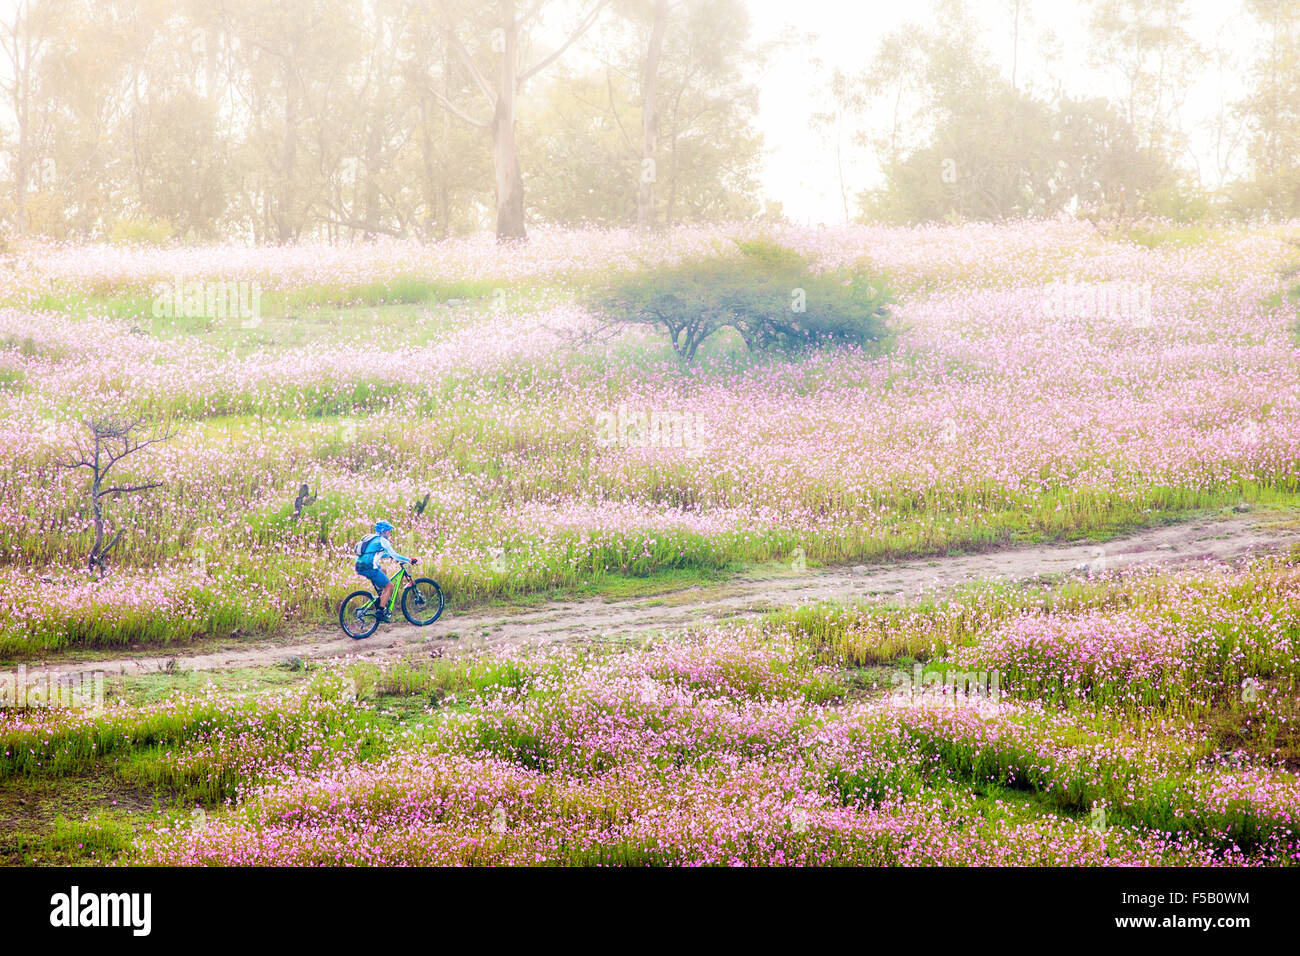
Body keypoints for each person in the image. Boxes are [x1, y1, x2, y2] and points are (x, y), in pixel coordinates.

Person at [356, 520, 418, 623]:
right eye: (389, 531)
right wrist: (408, 560)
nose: (390, 534)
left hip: (360, 566)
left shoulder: (373, 538)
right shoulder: (383, 540)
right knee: (389, 586)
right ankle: (380, 612)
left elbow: (377, 553)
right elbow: (395, 555)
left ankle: (382, 597)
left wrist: (389, 556)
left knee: (383, 570)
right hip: (369, 568)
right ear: (384, 531)